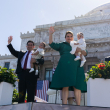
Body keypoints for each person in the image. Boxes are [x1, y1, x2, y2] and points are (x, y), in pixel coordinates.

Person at [49, 27, 87, 105]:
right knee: (65, 85)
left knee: (77, 86)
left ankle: (78, 106)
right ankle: (64, 105)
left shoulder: (77, 43)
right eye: (68, 36)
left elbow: (86, 53)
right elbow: (51, 44)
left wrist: (80, 50)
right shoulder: (62, 45)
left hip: (77, 67)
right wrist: (50, 34)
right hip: (65, 67)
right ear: (65, 38)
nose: (69, 37)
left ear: (73, 37)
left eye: (71, 36)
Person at [7, 36, 39, 103]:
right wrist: (9, 43)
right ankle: (20, 107)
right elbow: (13, 51)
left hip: (31, 74)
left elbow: (42, 61)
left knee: (31, 92)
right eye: (28, 45)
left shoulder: (36, 54)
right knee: (21, 92)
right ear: (26, 46)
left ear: (33, 46)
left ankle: (29, 107)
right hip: (22, 74)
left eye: (31, 45)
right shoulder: (22, 53)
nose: (29, 46)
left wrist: (36, 61)